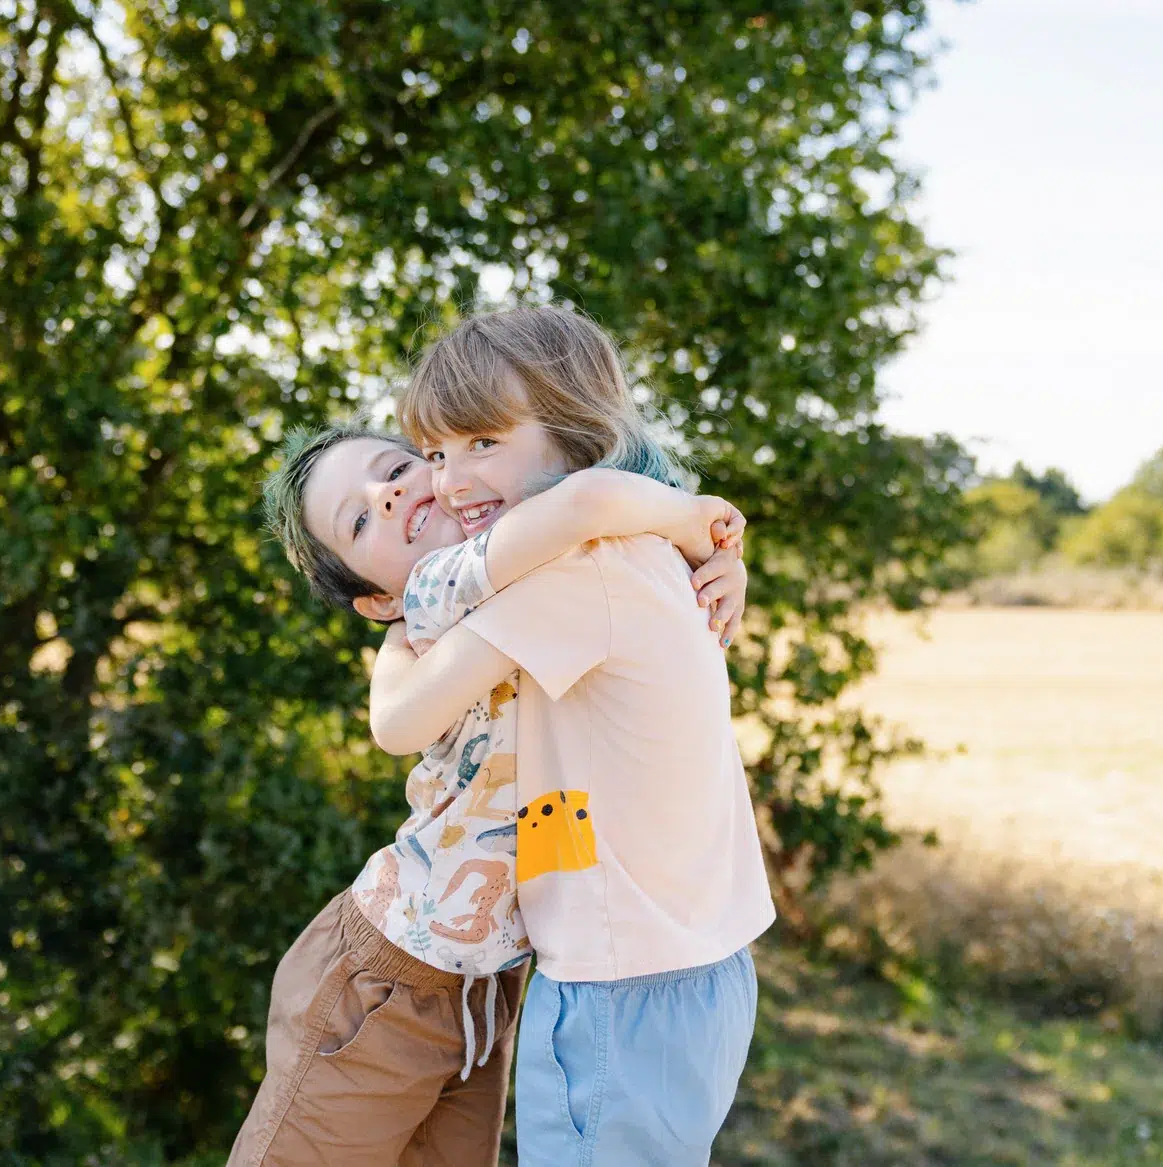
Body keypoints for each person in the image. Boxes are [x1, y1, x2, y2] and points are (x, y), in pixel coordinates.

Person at [226, 420, 747, 1167]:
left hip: (487, 987)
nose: (392, 491)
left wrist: (721, 560)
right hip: (386, 979)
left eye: (398, 466)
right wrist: (699, 518)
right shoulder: (442, 587)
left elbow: (602, 532)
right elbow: (589, 502)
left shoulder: (538, 567)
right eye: (362, 518)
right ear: (379, 604)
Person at [372, 305, 777, 1166]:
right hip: (707, 965)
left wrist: (396, 626)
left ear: (575, 431)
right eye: (437, 453)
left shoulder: (578, 566)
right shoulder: (651, 544)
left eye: (483, 441)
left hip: (616, 986)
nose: (448, 480)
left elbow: (401, 720)